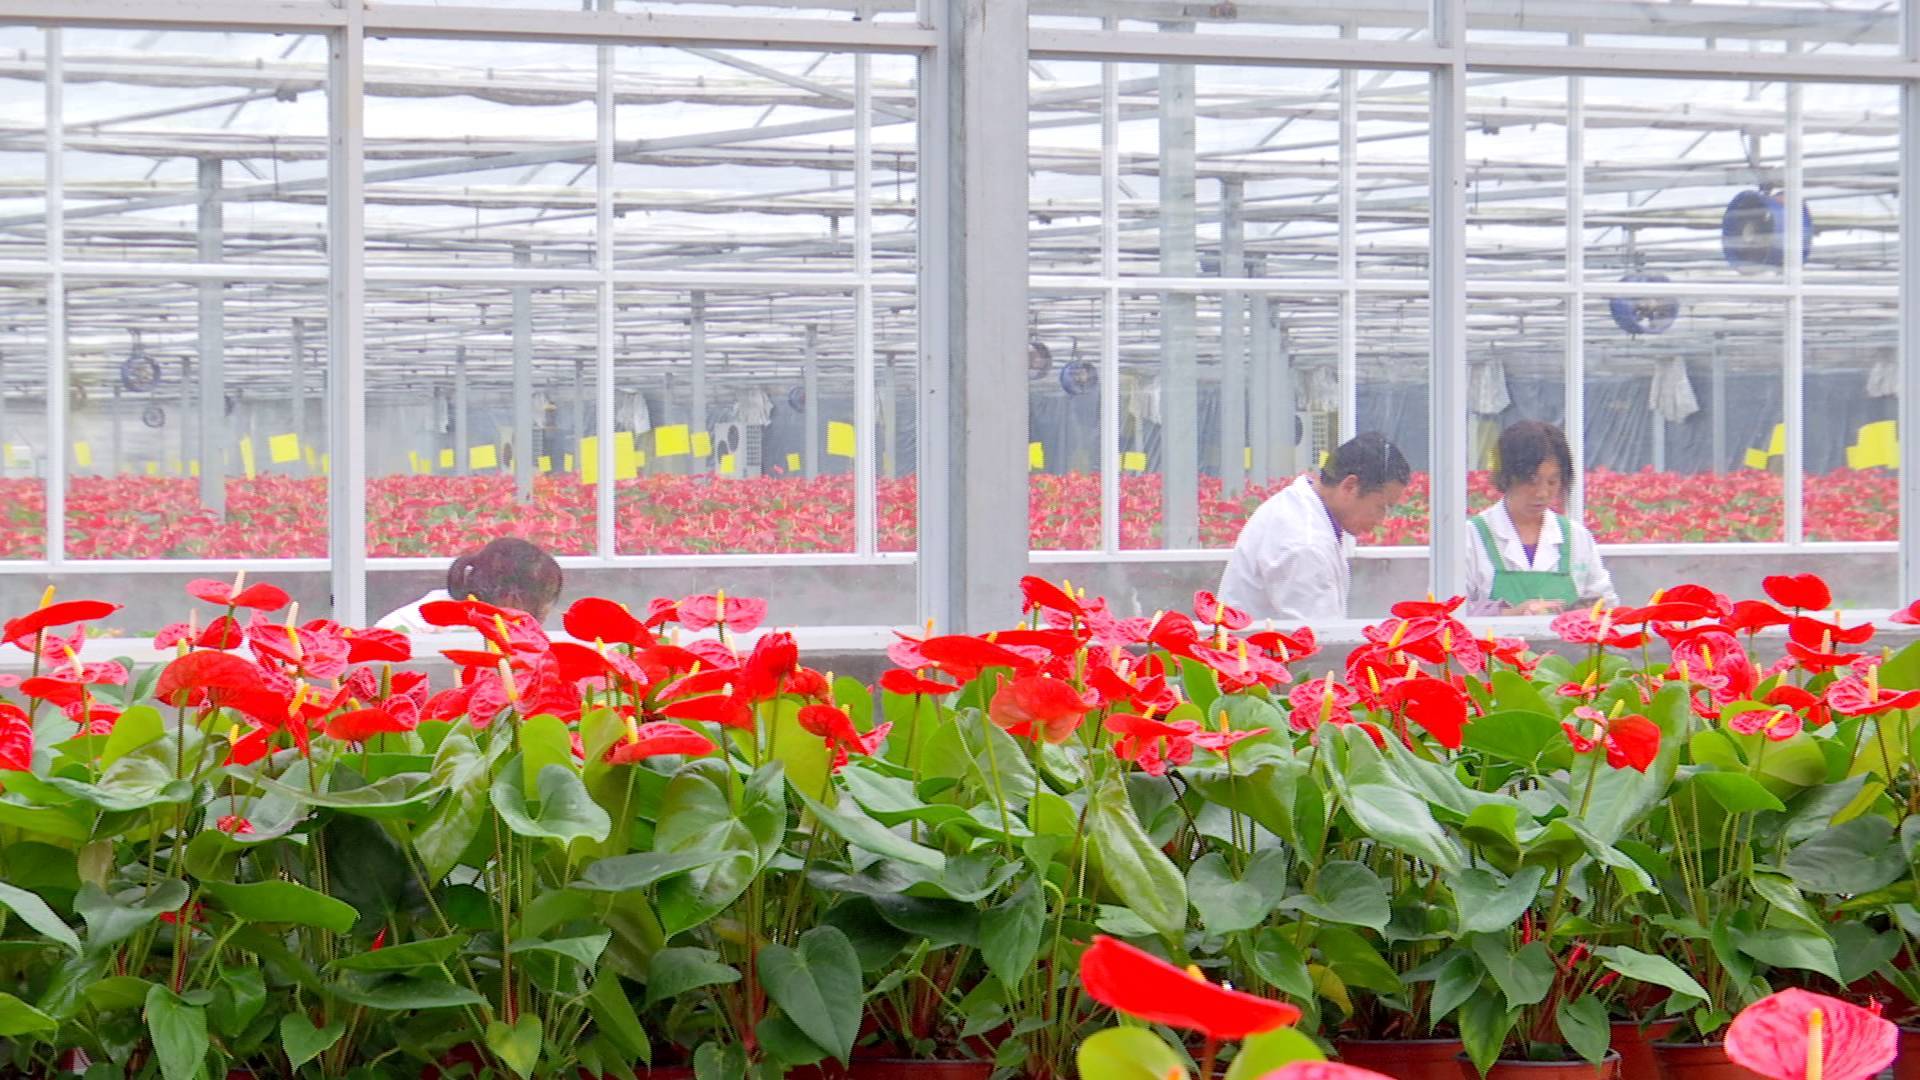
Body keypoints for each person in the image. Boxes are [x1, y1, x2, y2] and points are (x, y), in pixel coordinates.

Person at [1217, 432, 1412, 622]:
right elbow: (1319, 637)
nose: (1381, 520)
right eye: (1381, 507)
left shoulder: (1302, 508)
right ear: (1350, 486)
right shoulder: (1305, 544)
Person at [1463, 420, 1616, 616]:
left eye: (1552, 482)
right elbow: (1451, 614)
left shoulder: (1576, 537)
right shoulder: (1471, 537)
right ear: (1507, 477)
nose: (1542, 493)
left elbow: (1605, 605)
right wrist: (1510, 615)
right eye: (1531, 481)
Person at [376, 536, 564, 633]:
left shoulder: (497, 620)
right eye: (541, 596)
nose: (545, 610)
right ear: (508, 592)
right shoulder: (423, 625)